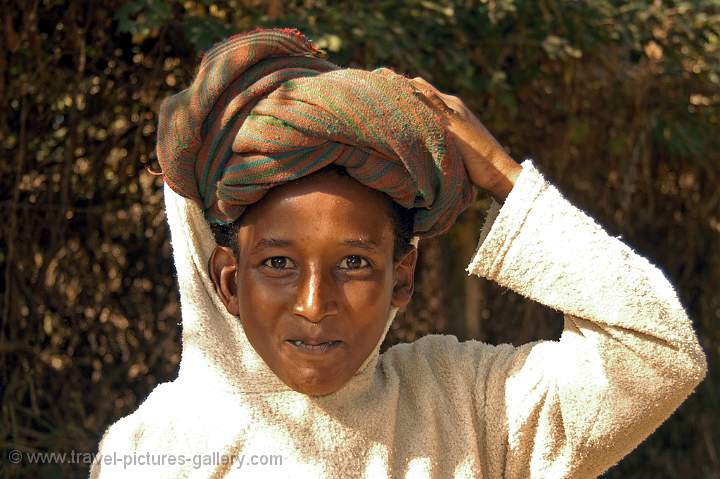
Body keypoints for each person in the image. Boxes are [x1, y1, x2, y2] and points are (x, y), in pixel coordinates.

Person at [89, 28, 707, 478]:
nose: (314, 305)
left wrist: (503, 178)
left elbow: (656, 354)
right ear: (228, 280)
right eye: (278, 263)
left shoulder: (467, 408)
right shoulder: (150, 449)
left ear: (401, 277)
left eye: (354, 263)